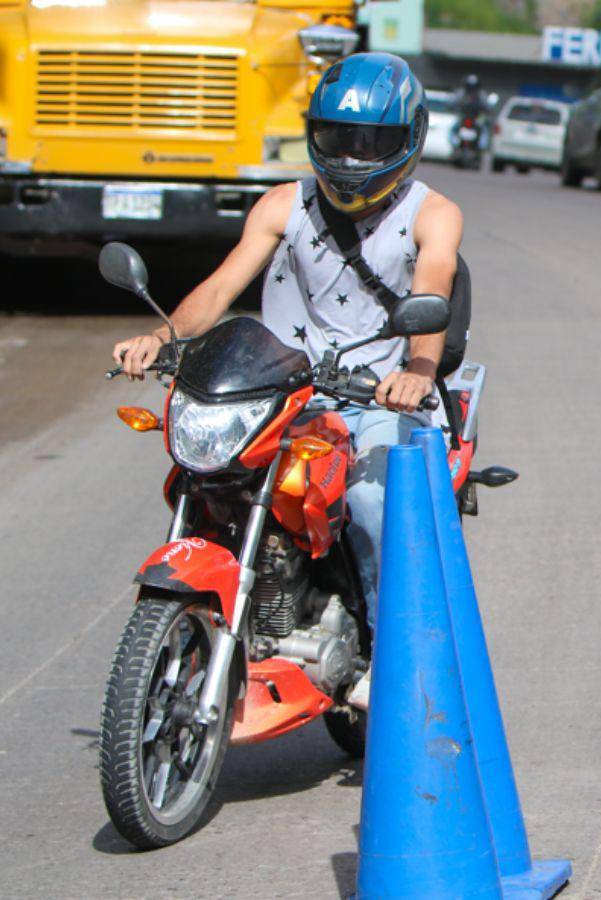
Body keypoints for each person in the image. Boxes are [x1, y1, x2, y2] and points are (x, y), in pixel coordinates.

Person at [112, 52, 464, 708]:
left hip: (376, 395)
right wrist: (162, 338)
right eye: (339, 137)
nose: (353, 156)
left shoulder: (432, 213)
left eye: (372, 141)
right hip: (283, 392)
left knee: (372, 505)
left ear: (409, 138)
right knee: (210, 479)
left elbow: (434, 284)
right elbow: (221, 287)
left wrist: (417, 370)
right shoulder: (283, 203)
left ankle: (394, 664)